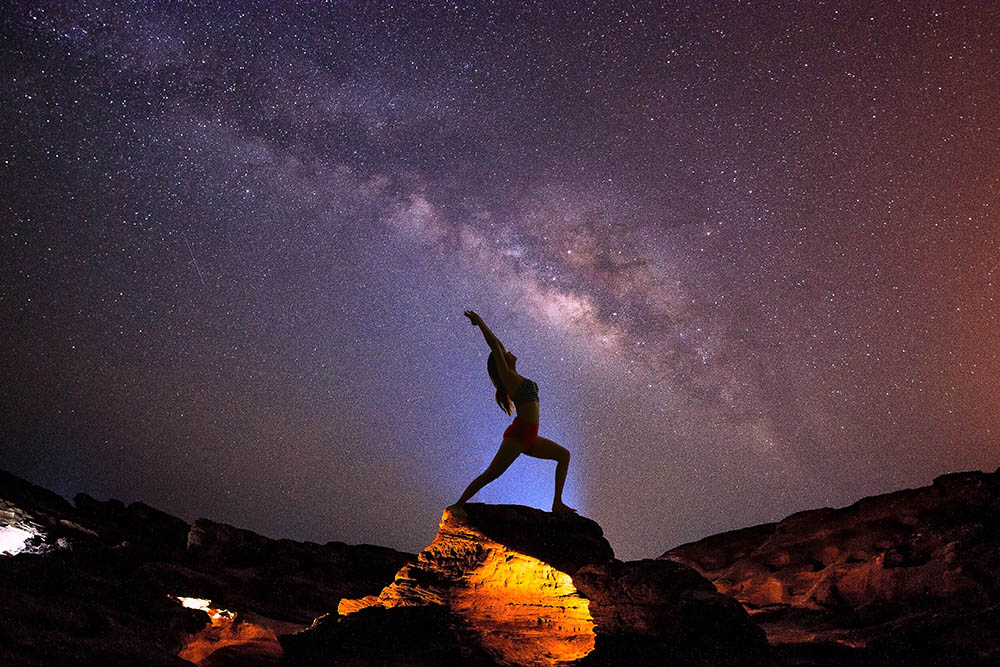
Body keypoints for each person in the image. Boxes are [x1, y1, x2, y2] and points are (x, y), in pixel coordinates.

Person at [448, 310, 576, 518]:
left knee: (564, 455)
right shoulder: (508, 377)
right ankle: (458, 505)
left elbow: (498, 345)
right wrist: (480, 322)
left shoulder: (516, 376)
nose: (507, 351)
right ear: (502, 363)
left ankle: (557, 503)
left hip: (530, 437)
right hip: (518, 435)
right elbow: (495, 345)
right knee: (492, 474)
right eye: (504, 352)